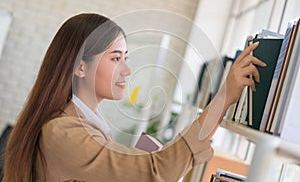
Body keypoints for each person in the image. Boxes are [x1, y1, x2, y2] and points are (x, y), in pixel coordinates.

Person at [3, 13, 265, 182]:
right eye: (115, 58)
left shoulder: (81, 127)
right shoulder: (63, 132)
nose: (127, 70)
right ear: (80, 67)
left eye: (125, 58)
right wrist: (223, 98)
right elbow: (154, 172)